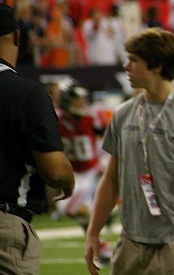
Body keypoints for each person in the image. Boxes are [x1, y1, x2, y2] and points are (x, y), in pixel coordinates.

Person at [84, 28, 174, 275]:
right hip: (130, 243)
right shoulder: (124, 114)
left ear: (157, 66)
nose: (126, 66)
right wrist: (93, 232)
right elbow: (110, 179)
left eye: (134, 60)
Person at [0, 2, 75, 274]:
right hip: (1, 224)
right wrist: (67, 178)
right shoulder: (26, 92)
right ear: (17, 36)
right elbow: (53, 170)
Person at [54, 79, 112, 265]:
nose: (81, 103)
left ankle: (101, 239)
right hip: (74, 173)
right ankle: (101, 241)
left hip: (93, 170)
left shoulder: (91, 117)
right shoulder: (56, 119)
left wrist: (105, 161)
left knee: (70, 209)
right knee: (75, 212)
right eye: (77, 99)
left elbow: (109, 137)